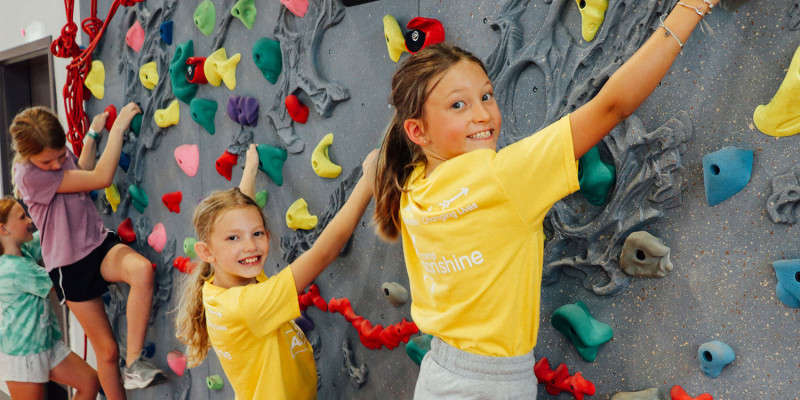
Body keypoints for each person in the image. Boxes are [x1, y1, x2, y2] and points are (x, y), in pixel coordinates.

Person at [372, 1, 720, 398]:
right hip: (490, 385)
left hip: (439, 375)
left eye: (486, 96)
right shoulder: (502, 177)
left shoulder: (411, 183)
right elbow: (612, 105)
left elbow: (377, 160)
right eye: (458, 105)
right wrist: (692, 7)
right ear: (417, 131)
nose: (483, 114)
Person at [175, 144, 376, 399]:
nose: (250, 246)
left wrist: (250, 168)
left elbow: (237, 217)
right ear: (206, 252)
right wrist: (369, 180)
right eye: (234, 238)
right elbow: (322, 253)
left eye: (257, 233)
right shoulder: (246, 304)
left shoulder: (222, 280)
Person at [9, 103, 164, 399]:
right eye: (47, 162)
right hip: (69, 265)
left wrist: (92, 135)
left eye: (58, 156)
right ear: (29, 156)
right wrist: (117, 128)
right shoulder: (28, 175)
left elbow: (79, 176)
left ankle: (133, 363)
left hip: (96, 244)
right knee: (106, 351)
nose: (55, 165)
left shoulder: (55, 154)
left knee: (142, 270)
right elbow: (101, 178)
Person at [0, 196, 100, 400]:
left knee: (89, 382)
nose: (29, 221)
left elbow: (46, 236)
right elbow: (59, 283)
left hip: (46, 344)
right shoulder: (13, 269)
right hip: (23, 356)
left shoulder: (22, 252)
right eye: (22, 218)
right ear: (4, 230)